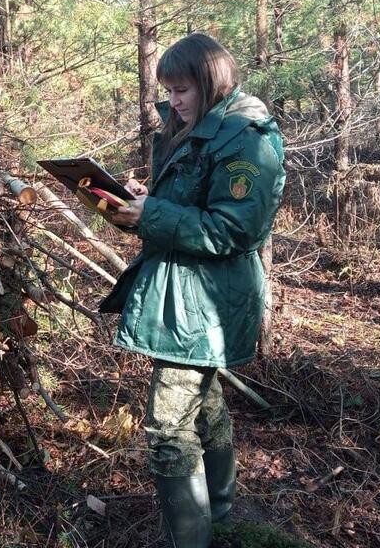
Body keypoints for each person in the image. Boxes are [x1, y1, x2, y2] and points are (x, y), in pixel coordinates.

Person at [100, 33, 286, 548]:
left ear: (210, 82)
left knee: (167, 428)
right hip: (184, 296)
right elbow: (192, 203)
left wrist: (154, 213)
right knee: (202, 404)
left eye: (182, 90)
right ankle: (221, 512)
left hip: (209, 301)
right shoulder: (196, 129)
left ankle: (194, 539)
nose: (174, 101)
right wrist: (143, 201)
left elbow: (233, 229)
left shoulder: (245, 138)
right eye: (170, 91)